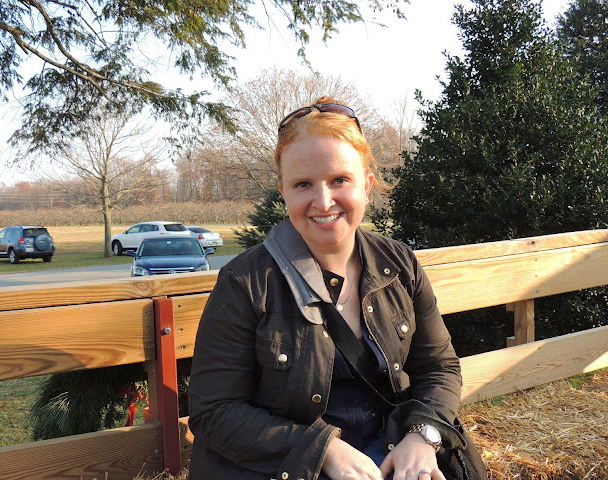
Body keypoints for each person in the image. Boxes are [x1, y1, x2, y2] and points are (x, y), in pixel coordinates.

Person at [188, 97, 474, 480]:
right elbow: (213, 412)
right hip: (291, 466)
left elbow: (439, 367)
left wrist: (423, 435)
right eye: (303, 184)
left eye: (339, 180)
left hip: (392, 447)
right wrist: (320, 449)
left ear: (366, 186)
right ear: (284, 192)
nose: (323, 202)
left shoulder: (400, 264)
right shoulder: (245, 283)